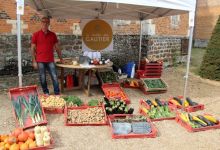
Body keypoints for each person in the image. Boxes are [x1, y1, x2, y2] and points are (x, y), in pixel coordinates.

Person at [31, 16, 63, 95]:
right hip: (40, 60)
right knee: (42, 78)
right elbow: (32, 49)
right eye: (43, 22)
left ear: (49, 23)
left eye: (46, 22)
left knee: (55, 76)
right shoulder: (36, 34)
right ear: (41, 23)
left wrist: (61, 58)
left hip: (50, 60)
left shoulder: (53, 35)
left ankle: (57, 93)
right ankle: (46, 92)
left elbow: (57, 47)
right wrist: (34, 61)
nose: (45, 23)